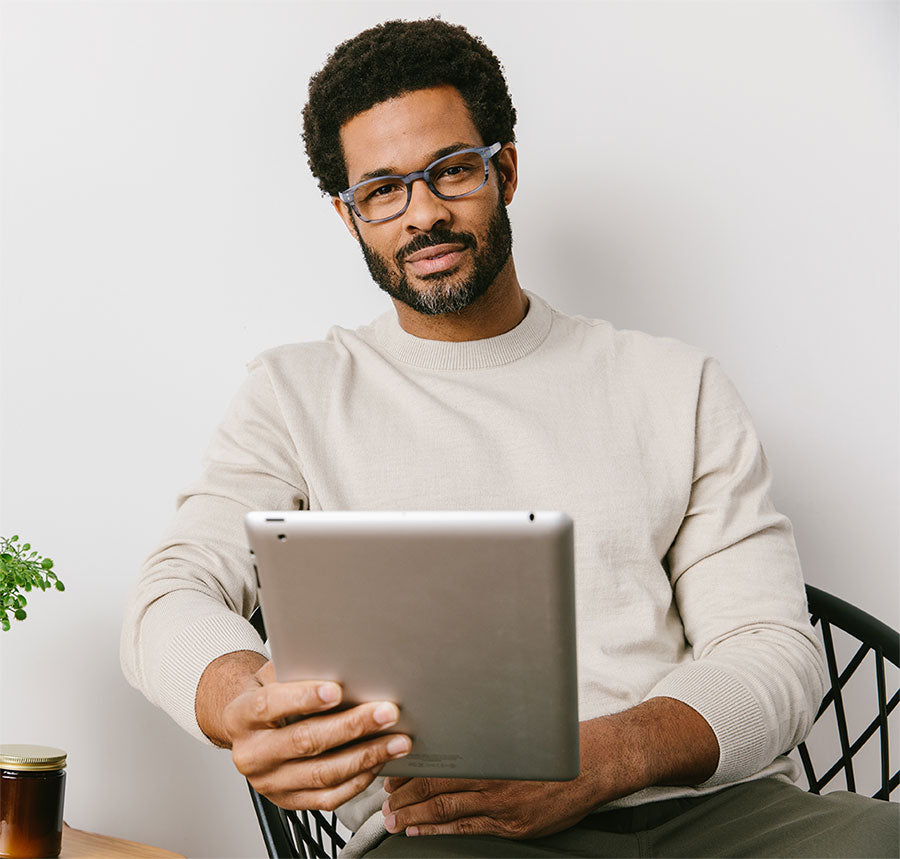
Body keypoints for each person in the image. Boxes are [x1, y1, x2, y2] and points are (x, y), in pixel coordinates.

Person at [121, 18, 899, 858]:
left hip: (713, 814)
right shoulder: (295, 393)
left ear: (507, 170)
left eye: (451, 172)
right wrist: (239, 697)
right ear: (350, 219)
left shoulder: (675, 384)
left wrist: (605, 757)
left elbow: (773, 651)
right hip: (453, 826)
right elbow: (172, 593)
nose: (423, 214)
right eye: (382, 190)